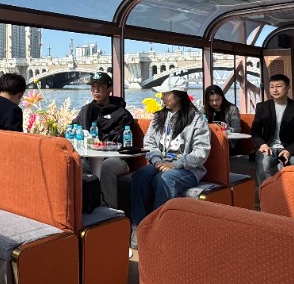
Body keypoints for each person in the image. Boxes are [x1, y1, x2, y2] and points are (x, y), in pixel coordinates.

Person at [130, 74, 210, 250]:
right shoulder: (159, 117)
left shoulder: (196, 119)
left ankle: (160, 230)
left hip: (188, 169)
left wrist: (175, 165)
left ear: (179, 95)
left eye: (166, 94)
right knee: (140, 175)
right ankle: (139, 225)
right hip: (161, 163)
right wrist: (157, 160)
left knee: (165, 179)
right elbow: (149, 143)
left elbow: (201, 152)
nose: (163, 97)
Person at [72, 71, 133, 209]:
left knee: (105, 168)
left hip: (117, 158)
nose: (96, 90)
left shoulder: (122, 114)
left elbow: (118, 140)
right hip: (90, 158)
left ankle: (110, 212)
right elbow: (74, 128)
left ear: (109, 89)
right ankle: (81, 209)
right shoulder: (86, 110)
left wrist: (95, 141)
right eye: (93, 86)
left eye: (100, 86)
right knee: (73, 165)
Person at [252, 74, 294, 186]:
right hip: (268, 148)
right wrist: (262, 144)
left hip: (290, 150)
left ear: (288, 88)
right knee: (263, 163)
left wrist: (289, 150)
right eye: (272, 87)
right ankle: (266, 194)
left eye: (278, 86)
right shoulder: (262, 107)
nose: (275, 90)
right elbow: (255, 130)